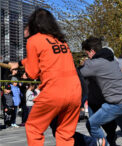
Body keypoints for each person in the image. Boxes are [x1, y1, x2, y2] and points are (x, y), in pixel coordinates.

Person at [9, 8, 81, 146]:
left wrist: (24, 69)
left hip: (54, 91)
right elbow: (47, 57)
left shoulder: (34, 40)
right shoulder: (61, 41)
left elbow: (33, 72)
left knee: (34, 128)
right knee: (65, 134)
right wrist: (19, 63)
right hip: (75, 92)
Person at [80, 37, 122, 146]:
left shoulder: (93, 64)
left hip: (119, 102)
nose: (87, 56)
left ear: (92, 51)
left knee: (92, 124)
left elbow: (76, 74)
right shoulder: (111, 58)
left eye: (87, 53)